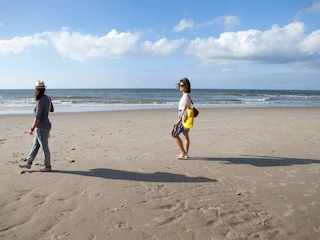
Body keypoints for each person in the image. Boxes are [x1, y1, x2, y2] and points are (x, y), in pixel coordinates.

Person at [19, 81, 54, 172]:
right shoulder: (48, 98)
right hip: (46, 125)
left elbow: (38, 116)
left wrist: (32, 128)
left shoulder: (40, 100)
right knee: (35, 146)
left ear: (37, 90)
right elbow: (52, 109)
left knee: (44, 147)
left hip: (42, 126)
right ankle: (28, 163)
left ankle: (47, 166)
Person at [173, 77, 192, 159]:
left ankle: (183, 152)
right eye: (180, 85)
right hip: (186, 117)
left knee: (175, 135)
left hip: (183, 118)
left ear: (186, 86)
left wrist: (178, 121)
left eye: (182, 85)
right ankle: (186, 153)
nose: (180, 86)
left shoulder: (185, 97)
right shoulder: (186, 96)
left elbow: (184, 110)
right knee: (186, 136)